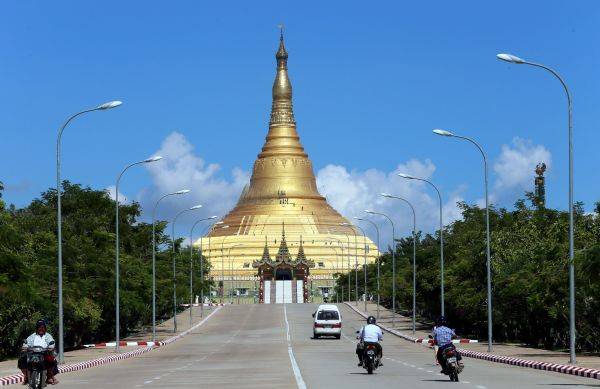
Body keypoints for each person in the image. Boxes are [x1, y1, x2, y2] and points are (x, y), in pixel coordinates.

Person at [18, 320, 59, 385]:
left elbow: (51, 342)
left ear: (45, 328)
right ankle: (26, 377)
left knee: (51, 359)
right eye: (39, 327)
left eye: (42, 327)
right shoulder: (32, 336)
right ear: (37, 328)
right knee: (22, 360)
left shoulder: (48, 336)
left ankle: (50, 377)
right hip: (32, 354)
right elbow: (26, 343)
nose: (41, 329)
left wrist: (51, 347)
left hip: (44, 353)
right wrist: (25, 347)